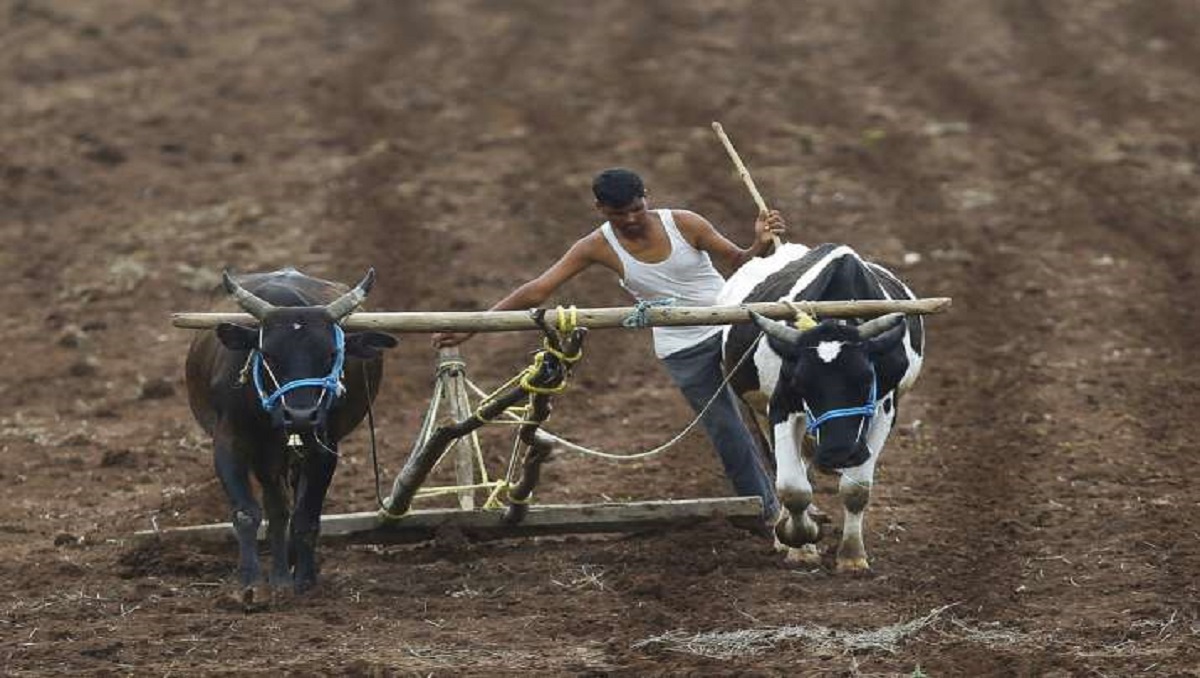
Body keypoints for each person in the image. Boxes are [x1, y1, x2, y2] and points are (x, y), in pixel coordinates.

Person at [433, 168, 785, 528]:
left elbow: (739, 261)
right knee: (726, 428)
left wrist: (759, 241)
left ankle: (793, 493)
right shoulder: (596, 246)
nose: (630, 219)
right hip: (681, 347)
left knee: (772, 409)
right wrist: (474, 327)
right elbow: (538, 291)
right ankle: (766, 514)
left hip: (727, 328)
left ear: (646, 196)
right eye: (619, 214)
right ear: (600, 208)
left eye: (636, 208)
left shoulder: (685, 223)